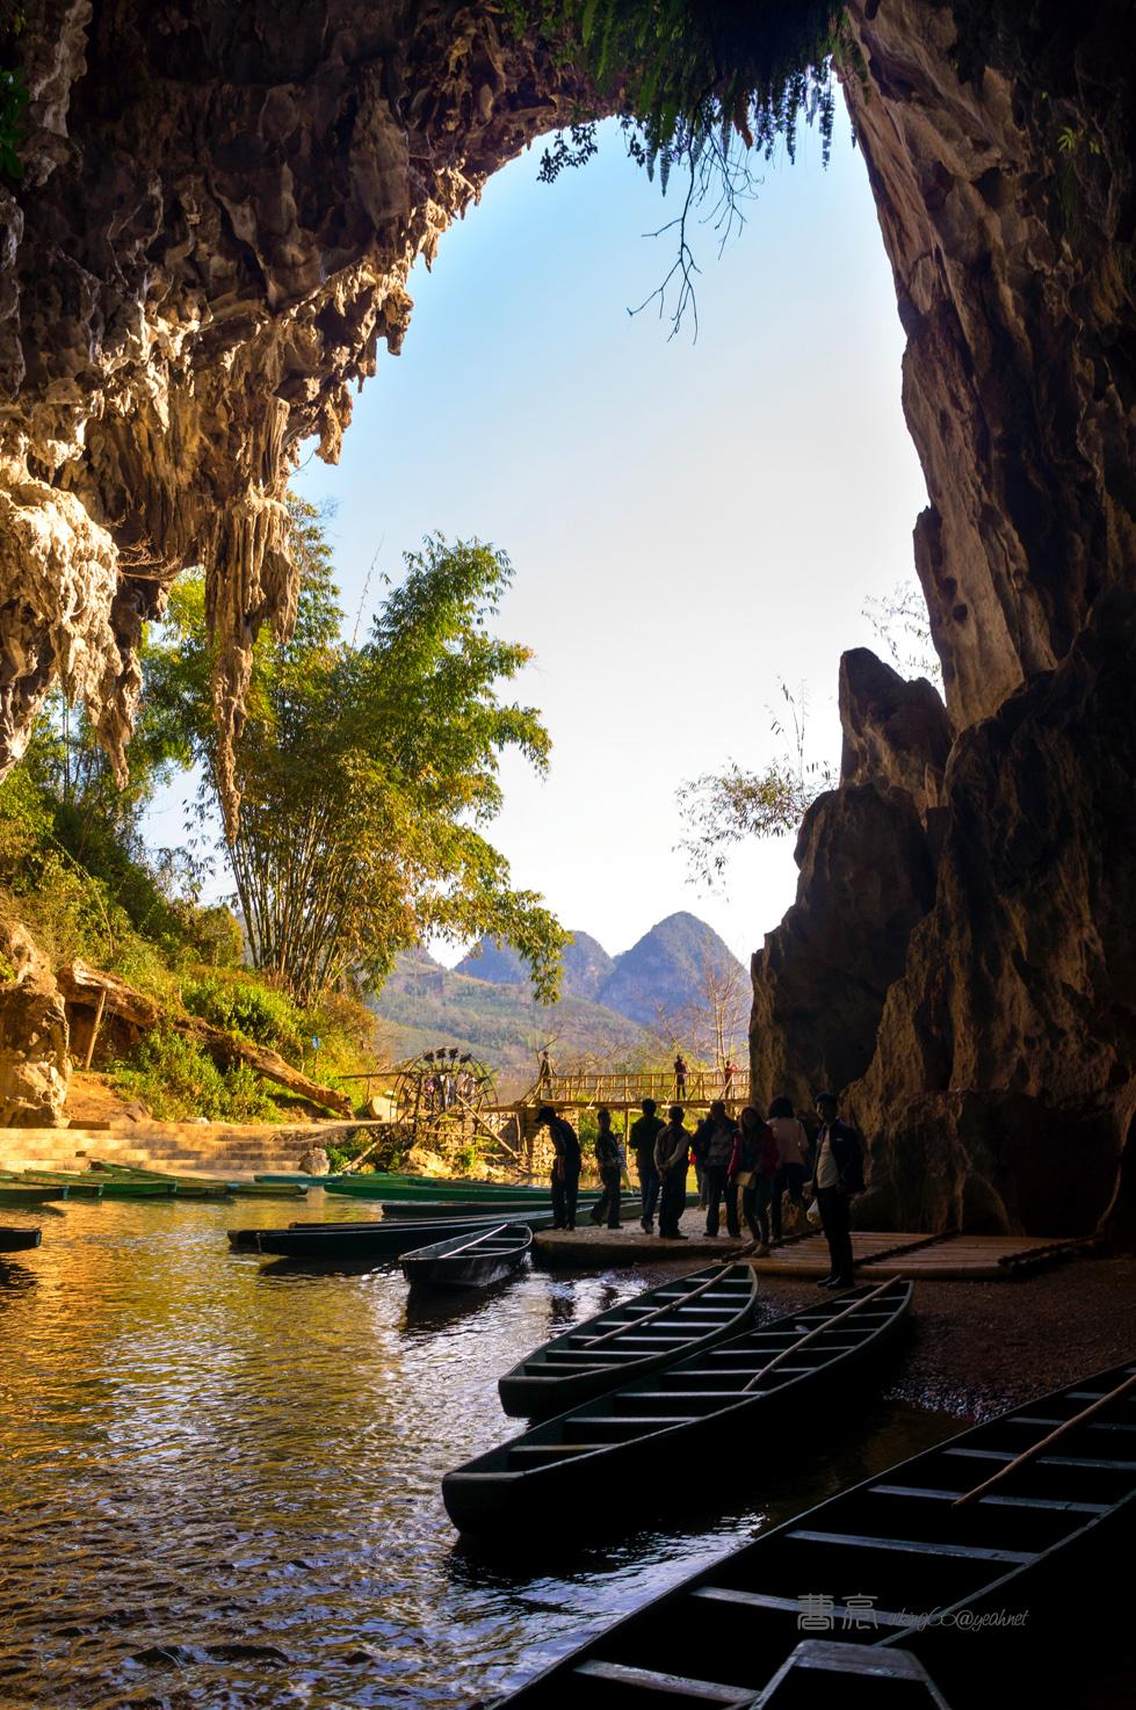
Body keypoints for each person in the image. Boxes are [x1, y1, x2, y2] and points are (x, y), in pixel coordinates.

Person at [812, 1091, 864, 1288]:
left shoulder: (845, 1132)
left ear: (835, 1108)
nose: (821, 1111)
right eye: (818, 1107)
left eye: (825, 1107)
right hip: (823, 1189)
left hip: (837, 1190)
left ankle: (846, 1275)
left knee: (841, 1233)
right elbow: (818, 1161)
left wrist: (844, 1182)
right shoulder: (823, 1132)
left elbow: (854, 1159)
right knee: (830, 1234)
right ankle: (835, 1272)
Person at [728, 1106, 779, 1254]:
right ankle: (756, 1237)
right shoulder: (740, 1135)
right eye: (746, 1117)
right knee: (747, 1209)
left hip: (763, 1175)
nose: (749, 1120)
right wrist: (732, 1174)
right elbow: (736, 1156)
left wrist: (763, 1165)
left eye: (751, 1117)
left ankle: (764, 1242)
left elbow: (773, 1153)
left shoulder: (765, 1133)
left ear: (757, 1118)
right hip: (747, 1175)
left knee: (760, 1208)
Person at [768, 1095, 811, 1245]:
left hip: (777, 1165)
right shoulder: (797, 1124)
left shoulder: (770, 1124)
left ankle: (776, 1232)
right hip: (795, 1162)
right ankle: (807, 1223)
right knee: (796, 1195)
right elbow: (804, 1146)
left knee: (775, 1198)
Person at [697, 1100, 739, 1237]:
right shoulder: (710, 1126)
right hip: (714, 1166)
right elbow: (695, 1142)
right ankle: (716, 1229)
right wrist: (703, 1157)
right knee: (715, 1199)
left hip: (728, 1166)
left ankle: (731, 1229)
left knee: (728, 1199)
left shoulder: (731, 1126)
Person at [536, 1104, 582, 1230]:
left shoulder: (554, 1128)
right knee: (572, 1193)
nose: (544, 1123)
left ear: (547, 1118)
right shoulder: (565, 1124)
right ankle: (571, 1222)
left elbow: (562, 1149)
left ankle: (560, 1221)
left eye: (544, 1120)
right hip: (576, 1160)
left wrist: (560, 1169)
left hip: (566, 1163)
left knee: (557, 1193)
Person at [654, 1105, 691, 1238]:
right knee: (677, 1200)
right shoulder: (683, 1134)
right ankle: (672, 1229)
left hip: (664, 1171)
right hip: (676, 1172)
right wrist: (667, 1166)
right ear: (682, 1117)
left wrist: (659, 1167)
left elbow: (656, 1152)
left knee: (665, 1199)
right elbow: (678, 1154)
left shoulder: (662, 1132)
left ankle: (663, 1228)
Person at [630, 1096, 665, 1231]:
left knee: (645, 1192)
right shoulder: (660, 1125)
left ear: (642, 1110)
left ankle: (647, 1219)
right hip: (656, 1162)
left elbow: (633, 1144)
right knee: (653, 1192)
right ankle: (647, 1218)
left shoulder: (637, 1125)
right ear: (654, 1109)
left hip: (643, 1161)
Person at [590, 1107, 624, 1229]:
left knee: (608, 1194)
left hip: (613, 1167)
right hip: (608, 1169)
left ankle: (597, 1214)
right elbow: (602, 1156)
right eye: (604, 1121)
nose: (607, 1123)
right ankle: (612, 1222)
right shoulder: (602, 1137)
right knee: (614, 1196)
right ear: (600, 1122)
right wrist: (612, 1164)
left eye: (608, 1120)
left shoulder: (609, 1134)